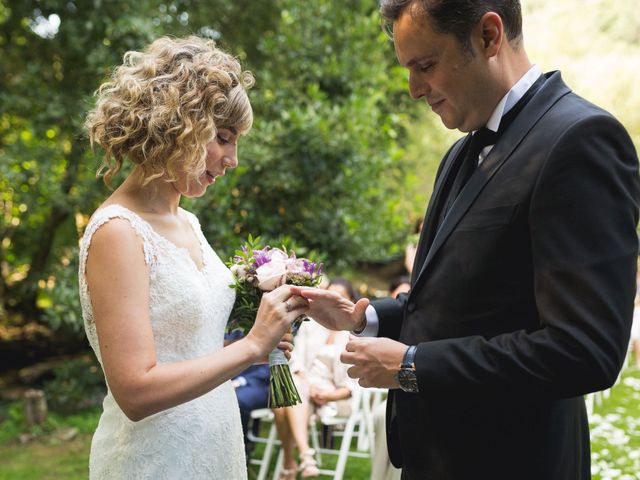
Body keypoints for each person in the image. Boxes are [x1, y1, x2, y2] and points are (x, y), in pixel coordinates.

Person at [292, 1, 640, 479]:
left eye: (425, 65)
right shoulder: (458, 154)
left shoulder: (580, 140)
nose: (414, 89)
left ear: (489, 36)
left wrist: (413, 365)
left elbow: (583, 350)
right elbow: (462, 301)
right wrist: (366, 316)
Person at [79, 36, 307, 479]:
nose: (233, 159)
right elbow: (137, 390)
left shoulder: (189, 224)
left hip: (215, 445)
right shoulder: (118, 232)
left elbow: (185, 351)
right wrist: (249, 346)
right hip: (156, 460)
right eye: (223, 138)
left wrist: (252, 352)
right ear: (178, 124)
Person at [272, 278, 357, 479]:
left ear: (351, 301)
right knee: (293, 388)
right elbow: (297, 361)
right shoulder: (312, 326)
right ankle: (305, 456)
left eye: (340, 297)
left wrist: (328, 395)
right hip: (305, 384)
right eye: (330, 295)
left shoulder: (354, 336)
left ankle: (289, 463)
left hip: (335, 396)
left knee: (282, 400)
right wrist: (307, 384)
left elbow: (351, 387)